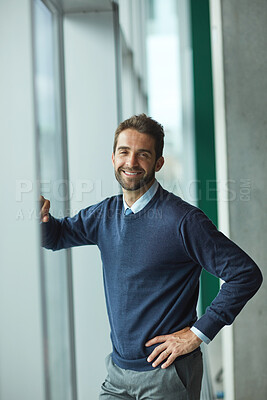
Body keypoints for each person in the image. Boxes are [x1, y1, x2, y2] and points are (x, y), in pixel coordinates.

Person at [40, 114, 262, 400]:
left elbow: (245, 273)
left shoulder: (183, 221)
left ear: (158, 163)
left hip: (168, 376)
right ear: (113, 158)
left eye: (142, 154)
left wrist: (198, 333)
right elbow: (57, 236)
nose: (131, 162)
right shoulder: (104, 214)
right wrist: (42, 220)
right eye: (124, 152)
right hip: (118, 374)